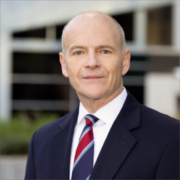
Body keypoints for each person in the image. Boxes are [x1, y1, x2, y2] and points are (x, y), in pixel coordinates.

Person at [25, 11, 179, 180]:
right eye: (78, 52)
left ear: (125, 61)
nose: (91, 63)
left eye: (104, 51)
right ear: (64, 64)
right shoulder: (42, 141)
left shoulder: (170, 137)